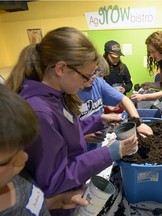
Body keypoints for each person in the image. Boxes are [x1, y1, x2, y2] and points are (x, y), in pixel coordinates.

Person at [4, 27, 138, 216]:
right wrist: (110, 153)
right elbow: (55, 179)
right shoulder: (39, 111)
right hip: (59, 203)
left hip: (69, 195)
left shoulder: (55, 96)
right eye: (85, 76)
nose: (87, 83)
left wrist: (98, 119)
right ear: (61, 69)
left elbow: (64, 130)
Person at [0, 85, 88, 215]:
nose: (24, 158)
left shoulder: (15, 175)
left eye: (21, 148)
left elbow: (27, 205)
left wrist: (59, 201)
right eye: (9, 160)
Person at [78, 56, 153, 151]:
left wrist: (138, 123)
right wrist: (81, 137)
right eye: (90, 74)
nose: (94, 77)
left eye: (96, 73)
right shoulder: (69, 92)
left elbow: (124, 99)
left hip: (96, 147)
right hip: (77, 151)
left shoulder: (98, 83)